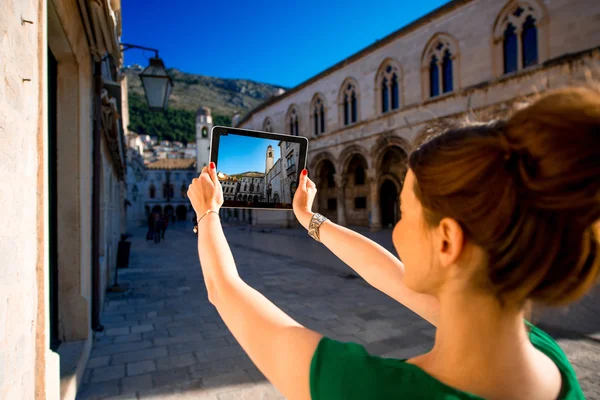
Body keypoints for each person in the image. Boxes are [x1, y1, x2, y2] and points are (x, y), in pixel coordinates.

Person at [187, 87, 599, 400]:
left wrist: (208, 213)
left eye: (402, 214)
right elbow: (386, 273)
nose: (395, 233)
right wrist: (309, 219)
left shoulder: (373, 389)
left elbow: (224, 290)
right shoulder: (547, 356)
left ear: (447, 241)